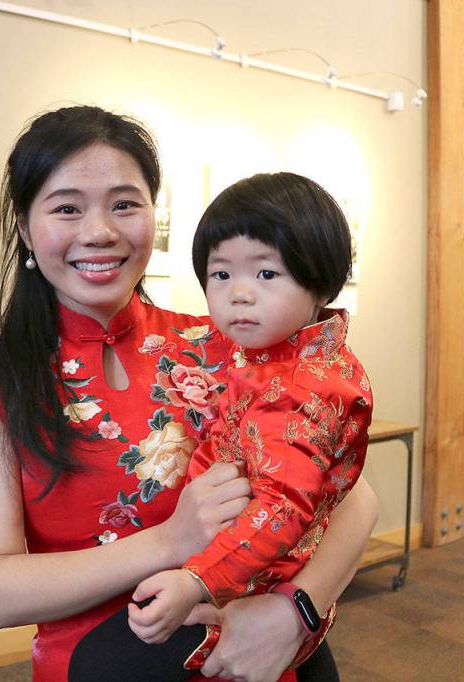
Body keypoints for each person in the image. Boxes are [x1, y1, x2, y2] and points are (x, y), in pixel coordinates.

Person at [0, 106, 379, 681]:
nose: (100, 231)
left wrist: (293, 612)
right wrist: (170, 541)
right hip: (109, 666)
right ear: (26, 227)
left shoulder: (226, 345)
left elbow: (353, 500)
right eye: (67, 208)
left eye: (125, 204)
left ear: (155, 213)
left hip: (263, 653)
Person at [124, 172, 372, 679]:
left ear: (320, 281)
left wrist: (197, 580)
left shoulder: (299, 388)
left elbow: (285, 507)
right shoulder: (268, 354)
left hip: (249, 586)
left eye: (265, 274)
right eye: (220, 275)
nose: (239, 294)